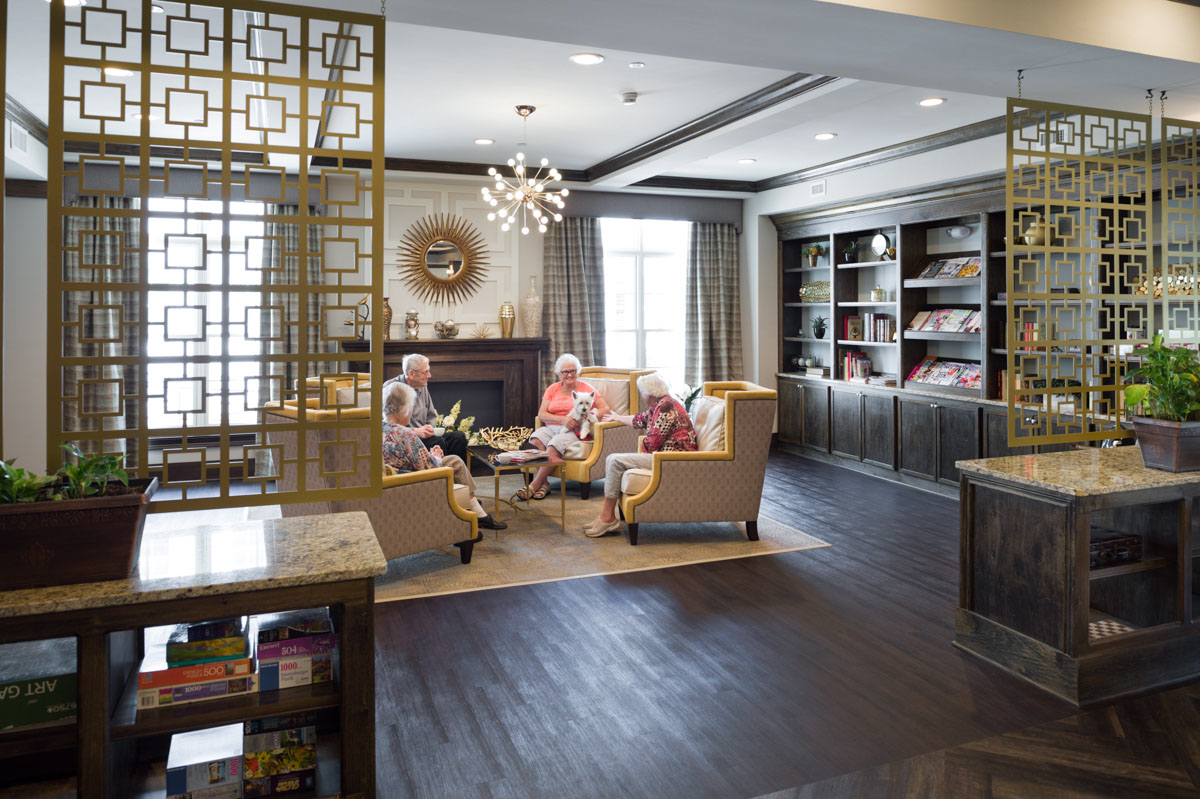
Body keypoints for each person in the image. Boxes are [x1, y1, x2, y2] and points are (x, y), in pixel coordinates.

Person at [584, 372, 697, 537]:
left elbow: (652, 443)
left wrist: (640, 452)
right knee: (613, 459)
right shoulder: (662, 404)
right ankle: (606, 516)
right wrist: (617, 417)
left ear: (650, 394)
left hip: (672, 459)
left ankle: (607, 518)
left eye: (642, 393)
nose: (642, 396)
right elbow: (639, 419)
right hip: (665, 456)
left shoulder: (665, 408)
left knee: (615, 461)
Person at [383, 381, 505, 531]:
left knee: (454, 459)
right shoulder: (405, 434)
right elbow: (430, 467)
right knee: (455, 463)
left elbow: (408, 458)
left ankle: (472, 511)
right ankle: (476, 515)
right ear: (404, 408)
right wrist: (436, 456)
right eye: (411, 407)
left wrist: (430, 454)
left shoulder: (378, 429)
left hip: (395, 479)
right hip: (412, 482)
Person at [513, 353, 612, 501]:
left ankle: (534, 485)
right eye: (565, 371)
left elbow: (606, 409)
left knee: (554, 444)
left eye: (572, 371)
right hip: (552, 427)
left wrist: (587, 418)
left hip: (574, 430)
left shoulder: (586, 388)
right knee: (535, 440)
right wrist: (562, 419)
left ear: (577, 372)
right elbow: (541, 414)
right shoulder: (552, 389)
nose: (569, 375)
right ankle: (544, 484)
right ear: (559, 373)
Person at [382, 353, 468, 460]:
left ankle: (453, 469)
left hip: (425, 436)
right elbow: (386, 424)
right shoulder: (392, 388)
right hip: (406, 438)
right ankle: (442, 470)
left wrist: (430, 428)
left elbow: (431, 415)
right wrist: (415, 431)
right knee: (438, 442)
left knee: (459, 437)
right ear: (411, 374)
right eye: (425, 372)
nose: (429, 375)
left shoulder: (422, 386)